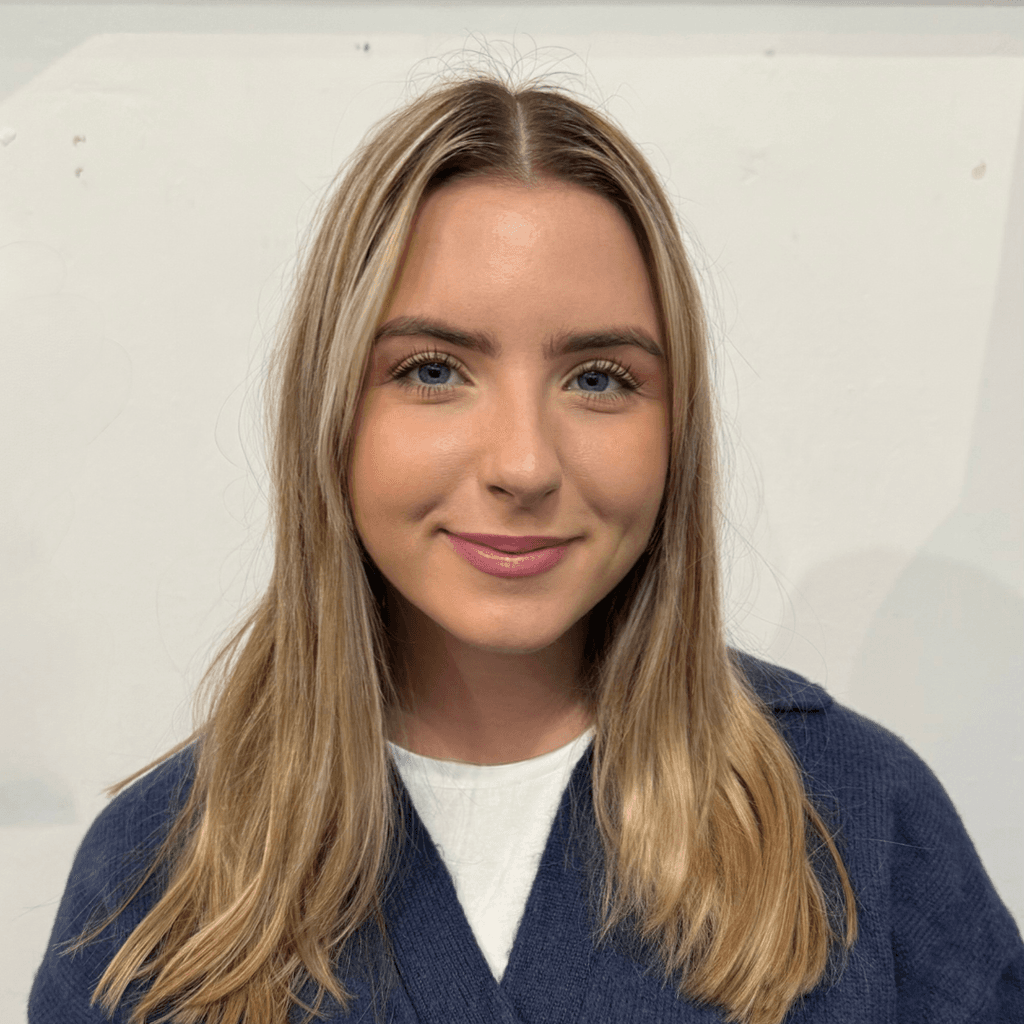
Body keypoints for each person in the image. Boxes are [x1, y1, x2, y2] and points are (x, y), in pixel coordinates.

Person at [28, 68, 1024, 1024]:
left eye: (597, 377)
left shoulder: (854, 826)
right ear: (329, 411)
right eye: (431, 369)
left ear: (675, 423)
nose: (522, 463)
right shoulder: (160, 879)